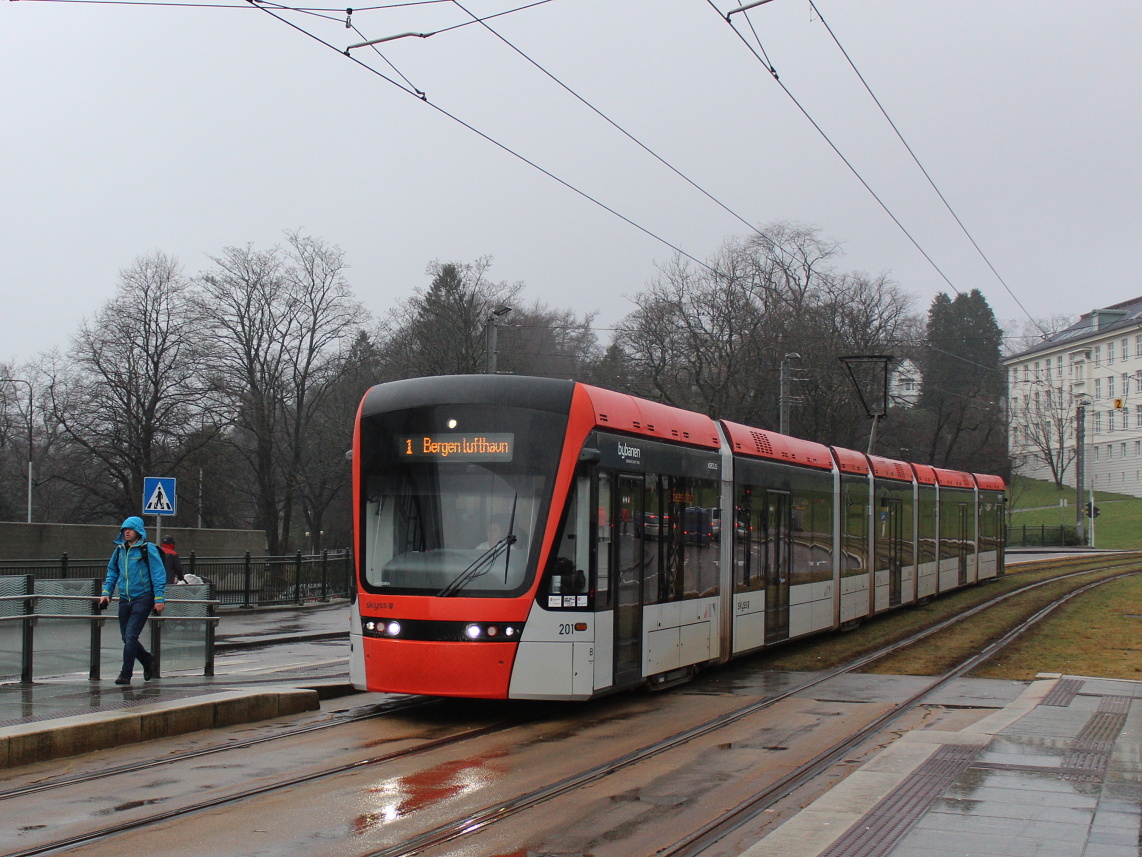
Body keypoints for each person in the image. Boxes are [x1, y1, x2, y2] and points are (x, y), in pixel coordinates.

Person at [99, 516, 166, 685]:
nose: (126, 532)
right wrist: (106, 592)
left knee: (130, 635)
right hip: (124, 598)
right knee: (126, 637)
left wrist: (159, 597)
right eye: (124, 529)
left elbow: (158, 573)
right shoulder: (120, 550)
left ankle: (125, 673)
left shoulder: (147, 549)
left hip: (143, 597)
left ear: (138, 531)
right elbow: (112, 571)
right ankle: (147, 659)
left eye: (130, 529)